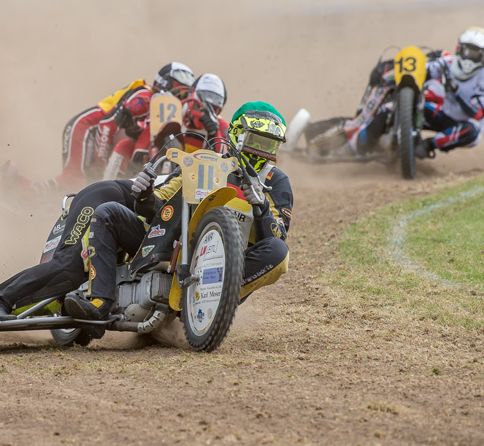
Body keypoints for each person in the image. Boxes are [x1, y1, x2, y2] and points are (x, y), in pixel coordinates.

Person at [63, 101, 294, 326]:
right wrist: (145, 195)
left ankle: (214, 293)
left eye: (269, 145)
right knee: (107, 212)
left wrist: (262, 207)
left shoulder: (277, 181)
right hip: (168, 244)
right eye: (257, 142)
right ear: (237, 134)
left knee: (279, 252)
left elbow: (277, 236)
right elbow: (160, 204)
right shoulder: (205, 162)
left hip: (226, 264)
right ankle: (98, 300)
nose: (261, 151)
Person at [27, 62, 196, 195]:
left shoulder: (160, 114)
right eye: (180, 94)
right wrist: (99, 163)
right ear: (164, 84)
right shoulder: (145, 96)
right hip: (87, 126)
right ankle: (29, 194)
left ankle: (36, 196)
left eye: (186, 96)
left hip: (98, 132)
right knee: (75, 180)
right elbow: (107, 124)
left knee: (81, 182)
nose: (181, 99)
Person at [0, 179, 137, 319]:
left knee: (103, 273)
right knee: (68, 265)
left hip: (121, 216)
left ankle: (81, 317)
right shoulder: (161, 184)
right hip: (102, 198)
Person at [414, 27, 484, 159]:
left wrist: (456, 92)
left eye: (474, 53)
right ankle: (385, 139)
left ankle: (429, 145)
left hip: (463, 125)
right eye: (466, 51)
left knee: (472, 130)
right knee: (399, 106)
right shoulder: (448, 63)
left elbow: (477, 113)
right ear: (459, 49)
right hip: (442, 113)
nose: (468, 56)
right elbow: (422, 73)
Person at [181, 73, 229, 153]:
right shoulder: (175, 111)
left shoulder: (222, 127)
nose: (204, 110)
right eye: (199, 104)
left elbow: (226, 159)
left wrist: (214, 133)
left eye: (212, 107)